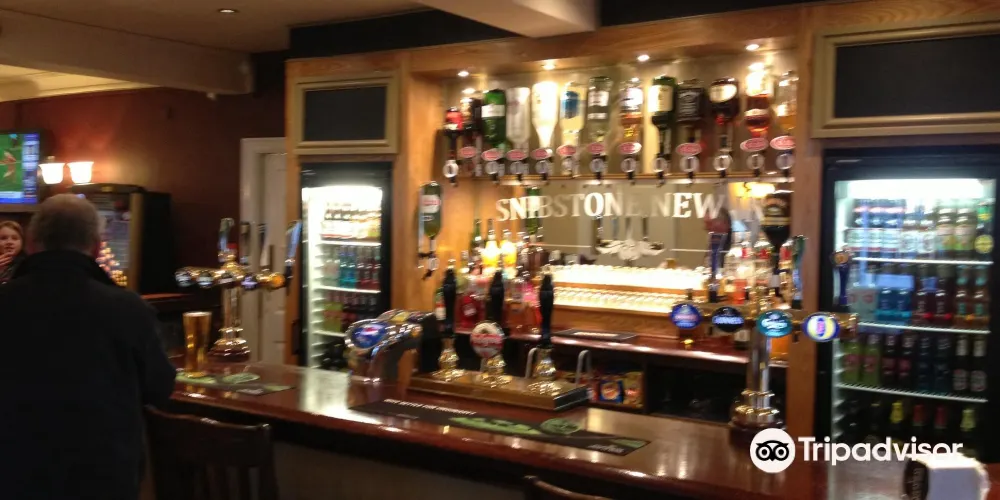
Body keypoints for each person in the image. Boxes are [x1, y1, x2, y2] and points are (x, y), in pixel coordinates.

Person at [0, 194, 176, 500]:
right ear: (96, 247)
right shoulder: (129, 308)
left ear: (31, 244)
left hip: (13, 473)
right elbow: (160, 387)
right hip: (104, 475)